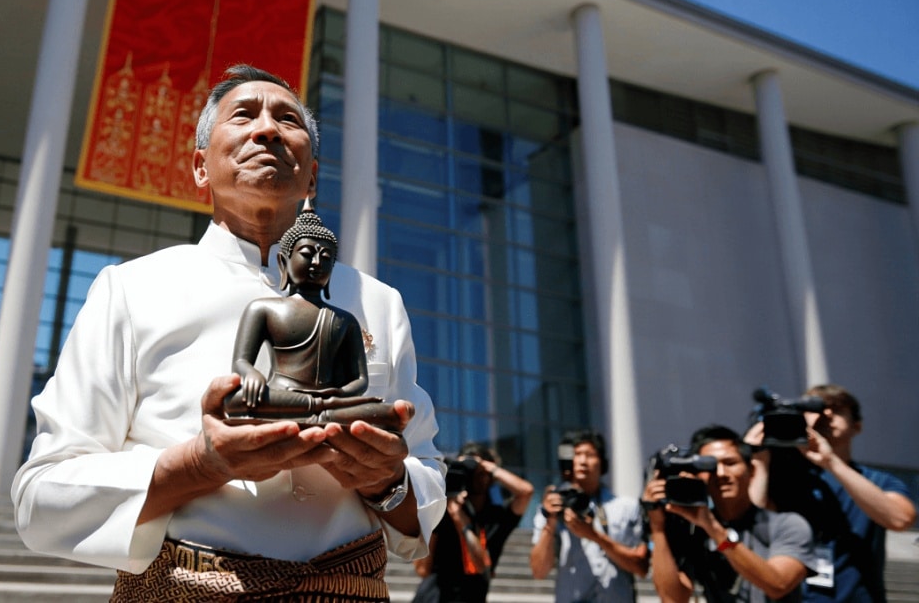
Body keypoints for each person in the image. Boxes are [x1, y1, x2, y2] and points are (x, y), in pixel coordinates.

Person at [11, 64, 445, 601]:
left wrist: (387, 480)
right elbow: (41, 495)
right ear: (200, 167)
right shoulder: (131, 287)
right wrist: (197, 465)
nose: (267, 130)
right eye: (244, 116)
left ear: (311, 176)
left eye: (288, 120)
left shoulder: (378, 302)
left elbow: (424, 476)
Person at [223, 198, 401, 430]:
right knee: (234, 401)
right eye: (307, 253)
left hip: (331, 400)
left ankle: (318, 411)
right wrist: (251, 374)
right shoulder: (263, 309)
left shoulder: (345, 321)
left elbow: (360, 380)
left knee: (384, 412)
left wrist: (338, 394)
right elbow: (240, 361)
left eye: (326, 258)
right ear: (284, 262)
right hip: (282, 395)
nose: (317, 262)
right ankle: (319, 413)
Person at [747, 385, 916, 602]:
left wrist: (831, 462)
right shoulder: (783, 476)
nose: (825, 414)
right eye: (815, 408)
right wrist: (759, 462)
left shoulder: (878, 481)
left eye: (837, 409)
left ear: (857, 426)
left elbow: (900, 519)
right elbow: (750, 527)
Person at [645, 424, 815, 603]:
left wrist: (715, 531)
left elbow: (777, 585)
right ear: (697, 476)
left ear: (752, 470)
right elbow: (673, 598)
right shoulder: (695, 531)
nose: (721, 473)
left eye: (730, 463)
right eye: (709, 466)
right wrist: (658, 529)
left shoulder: (788, 525)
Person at [530, 429, 648, 603]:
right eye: (577, 454)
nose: (583, 461)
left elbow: (641, 567)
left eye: (590, 454)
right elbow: (539, 571)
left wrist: (594, 536)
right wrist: (551, 521)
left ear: (603, 463)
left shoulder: (625, 507)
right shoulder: (551, 507)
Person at [411, 442, 534, 603]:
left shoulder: (495, 517)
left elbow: (526, 492)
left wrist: (487, 466)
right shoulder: (441, 511)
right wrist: (435, 515)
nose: (472, 475)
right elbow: (422, 569)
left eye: (478, 471)